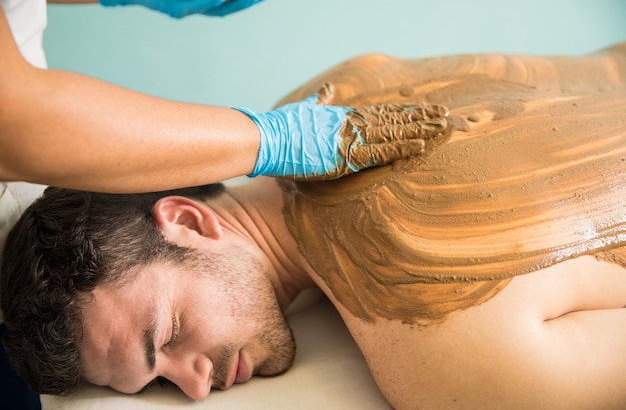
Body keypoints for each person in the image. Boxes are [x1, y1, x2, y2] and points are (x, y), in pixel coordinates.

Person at [2, 42, 626, 410]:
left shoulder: (441, 352)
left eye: (167, 334)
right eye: (154, 385)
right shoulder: (334, 93)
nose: (194, 388)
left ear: (190, 220)